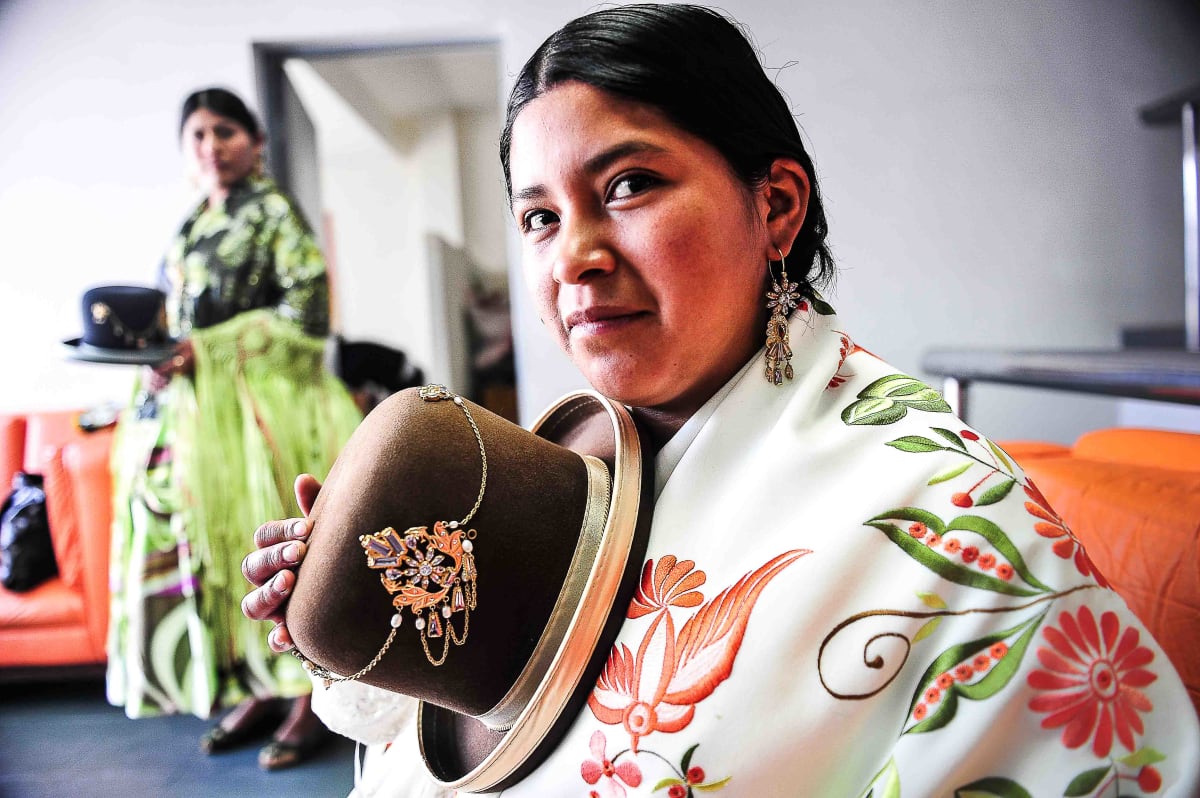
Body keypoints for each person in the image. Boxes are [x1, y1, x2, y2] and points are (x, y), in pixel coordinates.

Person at [241, 5, 1200, 796]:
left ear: (775, 205)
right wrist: (355, 609)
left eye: (628, 185)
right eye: (539, 215)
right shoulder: (550, 486)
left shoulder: (942, 519)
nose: (573, 253)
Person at [106, 87, 361, 770]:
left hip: (272, 417)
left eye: (224, 131)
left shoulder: (273, 213)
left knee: (284, 555)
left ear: (254, 143)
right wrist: (163, 362)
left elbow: (307, 315)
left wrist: (210, 349)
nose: (210, 146)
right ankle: (256, 691)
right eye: (196, 135)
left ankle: (308, 700)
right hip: (198, 424)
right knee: (218, 563)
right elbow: (175, 324)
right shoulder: (192, 224)